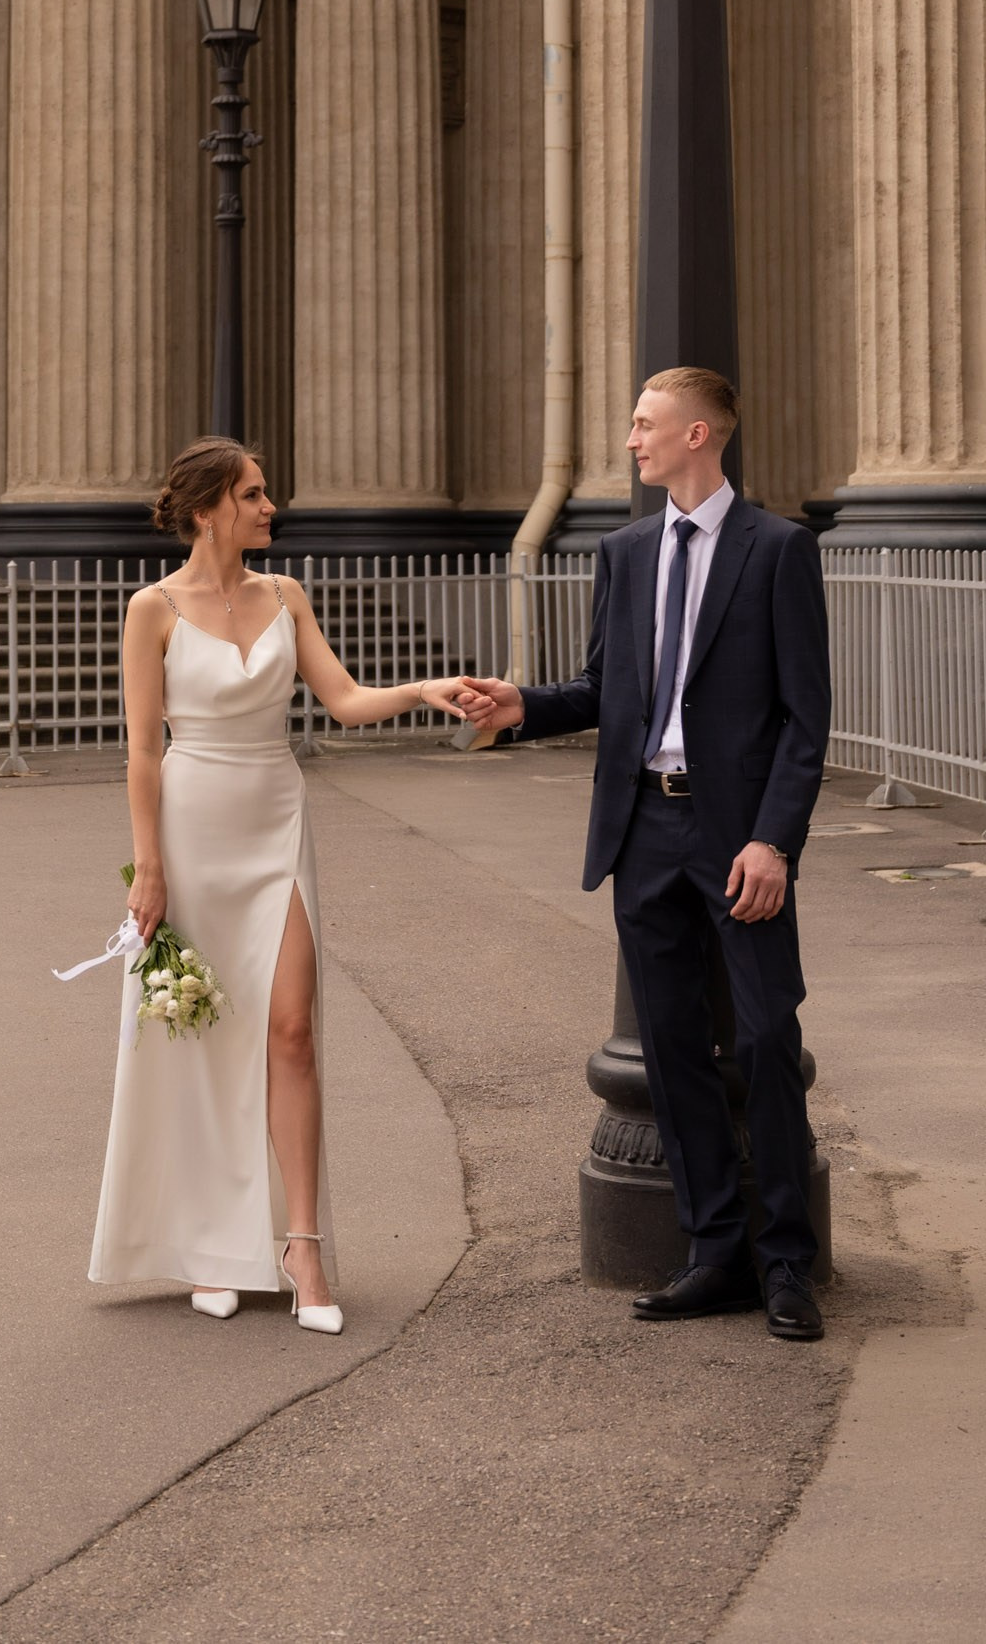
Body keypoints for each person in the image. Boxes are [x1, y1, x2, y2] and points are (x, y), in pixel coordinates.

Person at [454, 367, 831, 1342]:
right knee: (669, 1051)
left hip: (737, 835)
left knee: (762, 1040)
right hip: (644, 832)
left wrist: (771, 839)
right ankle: (713, 1252)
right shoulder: (623, 551)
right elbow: (600, 688)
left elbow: (802, 717)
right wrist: (522, 706)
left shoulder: (777, 548)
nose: (630, 439)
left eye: (643, 423)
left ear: (698, 432)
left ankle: (787, 1263)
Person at [87, 436, 476, 1330]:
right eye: (255, 495)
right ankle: (209, 1244)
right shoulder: (151, 610)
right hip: (189, 830)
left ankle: (302, 1247)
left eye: (267, 494)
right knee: (198, 1040)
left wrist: (424, 689)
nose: (271, 508)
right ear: (207, 509)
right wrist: (149, 869)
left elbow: (340, 700)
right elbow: (144, 752)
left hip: (276, 821)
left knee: (292, 1031)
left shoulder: (285, 595)